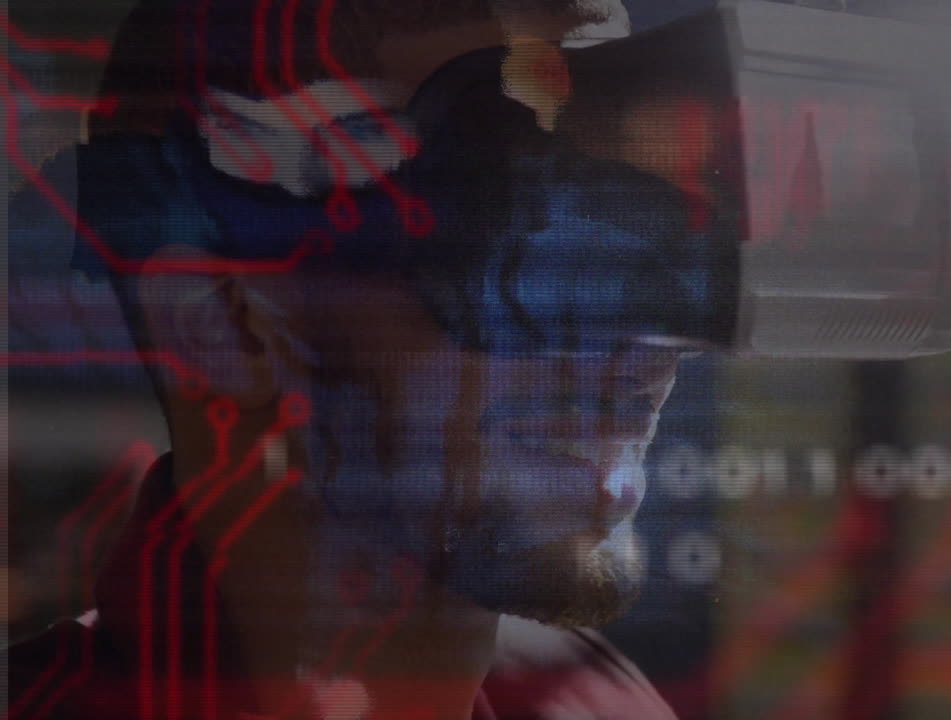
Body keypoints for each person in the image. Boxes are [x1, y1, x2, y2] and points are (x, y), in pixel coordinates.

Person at [8, 0, 716, 717]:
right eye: (537, 252)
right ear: (222, 324)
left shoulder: (595, 702)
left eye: (655, 243)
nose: (652, 346)